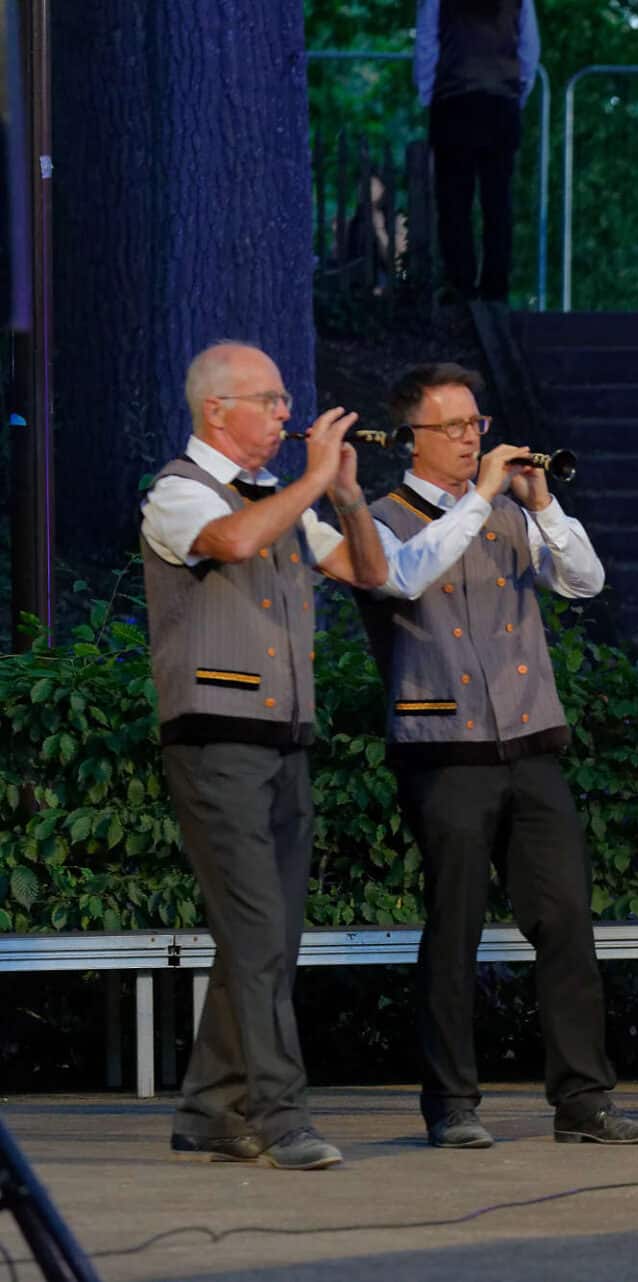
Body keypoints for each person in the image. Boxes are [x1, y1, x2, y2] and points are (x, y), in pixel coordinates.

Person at [360, 362, 638, 1148]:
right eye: (453, 428)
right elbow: (408, 577)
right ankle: (452, 1103)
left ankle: (585, 1101)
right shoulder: (381, 518)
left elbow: (587, 583)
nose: (471, 439)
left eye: (476, 424)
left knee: (565, 920)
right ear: (411, 439)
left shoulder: (504, 511)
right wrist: (480, 496)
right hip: (442, 745)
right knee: (453, 926)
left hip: (531, 742)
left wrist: (545, 504)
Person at [141, 342, 389, 1171]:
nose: (287, 415)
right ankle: (281, 1118)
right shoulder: (179, 489)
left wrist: (347, 496)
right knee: (256, 933)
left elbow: (370, 569)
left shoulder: (283, 499)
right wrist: (314, 480)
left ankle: (212, 1109)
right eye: (271, 400)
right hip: (215, 737)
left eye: (285, 401)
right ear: (218, 410)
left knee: (269, 934)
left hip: (284, 739)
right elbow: (235, 543)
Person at [414, 0, 539, 302]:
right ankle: (496, 284)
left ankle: (461, 282)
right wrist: (516, 92)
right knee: (497, 202)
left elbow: (427, 44)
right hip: (500, 103)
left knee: (454, 201)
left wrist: (428, 94)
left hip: (454, 102)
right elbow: (529, 49)